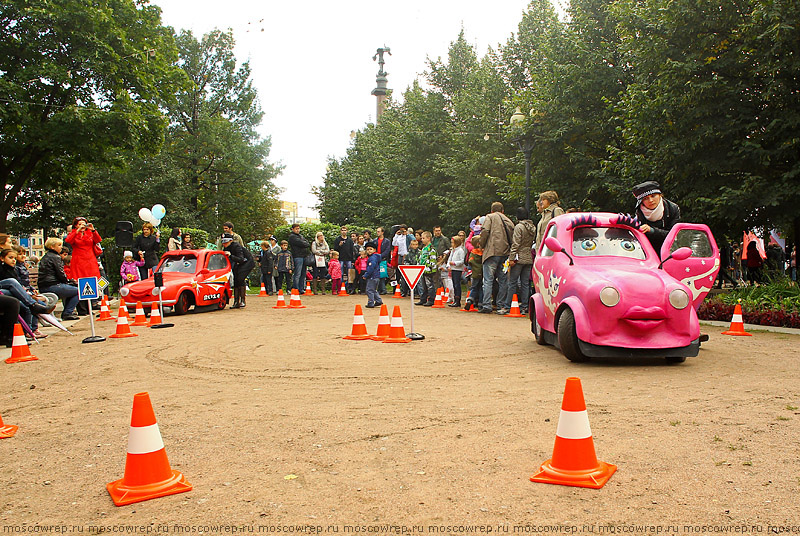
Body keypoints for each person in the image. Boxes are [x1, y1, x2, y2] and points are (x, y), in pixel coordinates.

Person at [478, 202, 515, 315]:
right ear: (502, 210)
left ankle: (487, 305)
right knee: (503, 280)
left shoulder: (490, 217)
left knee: (488, 280)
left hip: (491, 252)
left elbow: (485, 231)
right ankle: (501, 305)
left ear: (492, 210)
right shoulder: (508, 220)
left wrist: (482, 244)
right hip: (504, 253)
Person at [37, 237, 80, 321]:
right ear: (52, 247)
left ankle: (68, 312)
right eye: (59, 245)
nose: (61, 247)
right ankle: (67, 313)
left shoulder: (46, 256)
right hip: (52, 285)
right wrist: (69, 282)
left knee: (71, 290)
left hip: (45, 285)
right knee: (78, 291)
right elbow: (60, 273)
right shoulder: (55, 257)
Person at [632, 181, 680, 256]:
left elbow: (674, 235)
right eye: (646, 198)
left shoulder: (673, 209)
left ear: (660, 195)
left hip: (669, 250)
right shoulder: (638, 214)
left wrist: (651, 230)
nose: (650, 200)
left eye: (653, 196)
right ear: (641, 202)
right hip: (647, 252)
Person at [508, 207, 536, 314]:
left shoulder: (519, 227)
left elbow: (516, 243)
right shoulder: (532, 227)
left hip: (518, 257)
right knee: (525, 283)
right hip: (528, 256)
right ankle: (525, 306)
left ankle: (509, 304)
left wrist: (512, 257)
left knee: (512, 282)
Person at [221, 233, 255, 308]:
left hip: (247, 263)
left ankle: (243, 301)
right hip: (238, 264)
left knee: (240, 279)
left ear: (231, 241)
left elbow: (241, 259)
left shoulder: (236, 246)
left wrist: (231, 255)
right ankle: (236, 302)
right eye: (223, 242)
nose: (224, 244)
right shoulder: (226, 248)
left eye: (226, 242)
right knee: (236, 280)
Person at [417, 231, 440, 306]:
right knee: (423, 285)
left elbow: (433, 260)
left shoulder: (431, 249)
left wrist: (430, 268)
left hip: (429, 270)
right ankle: (423, 299)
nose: (422, 239)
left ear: (428, 238)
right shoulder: (423, 248)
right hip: (422, 269)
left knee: (430, 285)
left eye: (423, 238)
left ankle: (431, 299)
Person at [288, 223, 310, 292]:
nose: (298, 230)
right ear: (293, 229)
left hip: (303, 256)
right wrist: (304, 243)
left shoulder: (300, 236)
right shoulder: (292, 237)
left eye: (298, 228)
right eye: (296, 229)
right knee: (298, 273)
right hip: (297, 256)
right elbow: (302, 243)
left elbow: (307, 243)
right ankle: (295, 288)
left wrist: (304, 243)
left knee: (303, 273)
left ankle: (301, 288)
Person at [333, 226, 355, 294]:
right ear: (340, 231)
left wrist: (353, 260)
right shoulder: (337, 239)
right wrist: (339, 245)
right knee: (340, 274)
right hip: (340, 259)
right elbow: (335, 249)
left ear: (347, 231)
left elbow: (352, 250)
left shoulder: (350, 240)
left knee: (350, 274)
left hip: (349, 259)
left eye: (345, 230)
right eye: (342, 230)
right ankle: (341, 288)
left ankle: (349, 288)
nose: (344, 231)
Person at [447, 236, 467, 308]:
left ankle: (457, 300)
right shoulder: (453, 250)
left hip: (457, 269)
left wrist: (454, 263)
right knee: (454, 284)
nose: (451, 244)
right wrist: (448, 265)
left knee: (457, 285)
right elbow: (449, 259)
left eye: (453, 242)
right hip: (453, 269)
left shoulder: (460, 251)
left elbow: (462, 261)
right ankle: (455, 299)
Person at [465, 235, 483, 309]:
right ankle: (481, 303)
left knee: (474, 287)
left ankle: (470, 299)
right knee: (481, 288)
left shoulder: (472, 252)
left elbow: (470, 261)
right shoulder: (482, 253)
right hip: (481, 273)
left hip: (474, 273)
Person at [364, 242, 383, 308]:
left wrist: (366, 275)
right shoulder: (376, 257)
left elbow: (371, 268)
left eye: (370, 249)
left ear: (374, 250)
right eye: (367, 249)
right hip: (377, 276)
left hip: (372, 276)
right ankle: (378, 300)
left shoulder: (372, 258)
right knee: (373, 289)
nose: (369, 251)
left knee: (369, 290)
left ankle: (370, 302)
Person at [375, 227, 391, 294]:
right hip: (376, 259)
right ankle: (380, 289)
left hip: (383, 259)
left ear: (382, 232)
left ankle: (383, 289)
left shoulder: (387, 241)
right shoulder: (374, 241)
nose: (377, 233)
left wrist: (380, 256)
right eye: (377, 231)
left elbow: (387, 250)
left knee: (382, 274)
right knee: (378, 274)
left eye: (379, 231)